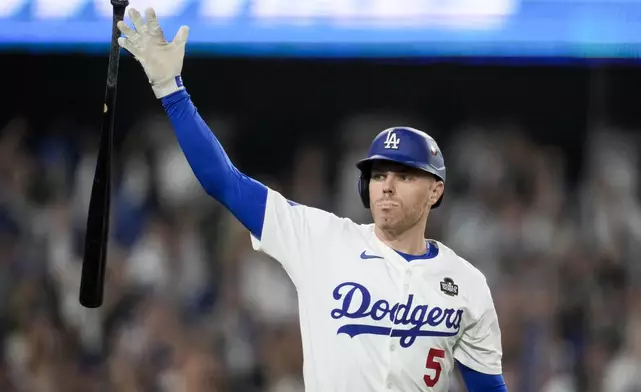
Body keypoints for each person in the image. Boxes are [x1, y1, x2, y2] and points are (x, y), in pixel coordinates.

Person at [117, 7, 508, 391]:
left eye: (404, 176)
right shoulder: (322, 240)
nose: (387, 186)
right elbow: (224, 182)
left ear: (435, 190)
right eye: (377, 175)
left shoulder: (466, 283)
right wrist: (171, 91)